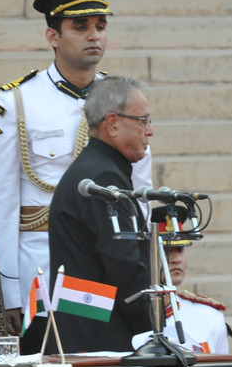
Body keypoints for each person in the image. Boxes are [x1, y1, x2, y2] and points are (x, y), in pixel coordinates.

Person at [0, 0, 152, 353]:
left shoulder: (124, 100)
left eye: (101, 26)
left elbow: (139, 197)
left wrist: (146, 285)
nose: (95, 36)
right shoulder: (15, 103)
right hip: (41, 272)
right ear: (52, 36)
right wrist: (6, 292)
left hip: (111, 266)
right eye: (81, 26)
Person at [48, 75, 154, 352]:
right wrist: (148, 331)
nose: (150, 130)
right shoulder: (103, 177)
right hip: (101, 339)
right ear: (113, 123)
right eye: (143, 120)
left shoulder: (94, 169)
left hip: (89, 324)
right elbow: (124, 265)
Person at [132, 234, 230, 354]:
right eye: (165, 250)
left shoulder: (210, 316)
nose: (176, 259)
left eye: (180, 250)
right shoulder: (120, 313)